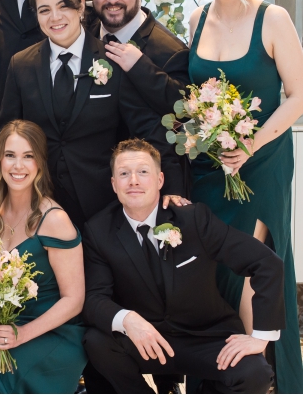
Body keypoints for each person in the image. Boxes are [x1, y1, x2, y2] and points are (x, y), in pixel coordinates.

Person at [186, 0, 303, 392]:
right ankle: (222, 373)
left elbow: (296, 97)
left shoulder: (273, 19)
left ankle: (261, 373)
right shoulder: (195, 20)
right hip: (211, 169)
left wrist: (249, 146)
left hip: (262, 161)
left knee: (253, 259)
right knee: (214, 266)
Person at [83, 138, 284, 394]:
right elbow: (93, 297)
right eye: (124, 173)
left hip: (205, 337)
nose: (133, 180)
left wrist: (261, 337)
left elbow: (265, 262)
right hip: (145, 339)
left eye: (143, 172)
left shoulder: (193, 219)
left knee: (254, 373)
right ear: (114, 184)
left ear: (159, 181)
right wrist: (128, 320)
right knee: (96, 341)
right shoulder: (98, 230)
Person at [0, 0, 183, 226]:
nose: (55, 17)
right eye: (44, 10)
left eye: (64, 6)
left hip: (101, 204)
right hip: (38, 202)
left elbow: (147, 129)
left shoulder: (113, 61)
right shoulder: (21, 65)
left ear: (81, 7)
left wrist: (173, 185)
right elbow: (6, 134)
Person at [0, 120, 86, 393]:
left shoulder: (55, 220)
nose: (18, 166)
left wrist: (22, 334)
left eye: (28, 157)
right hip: (2, 327)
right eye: (10, 156)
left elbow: (74, 300)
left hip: (48, 332)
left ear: (40, 163)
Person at [87, 0, 190, 113]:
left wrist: (140, 67)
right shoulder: (84, 34)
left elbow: (184, 111)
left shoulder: (172, 52)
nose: (112, 0)